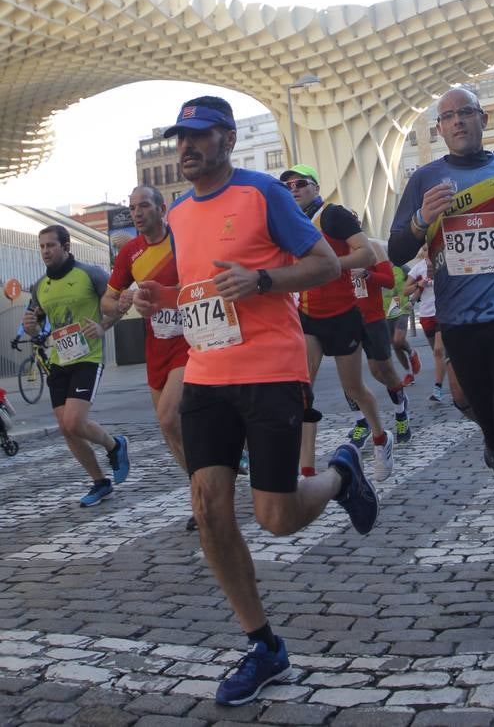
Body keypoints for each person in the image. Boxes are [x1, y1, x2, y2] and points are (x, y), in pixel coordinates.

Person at [133, 96, 380, 707]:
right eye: (179, 138)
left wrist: (262, 280)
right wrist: (161, 297)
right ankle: (264, 645)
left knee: (276, 516)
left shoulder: (264, 193)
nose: (186, 148)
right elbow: (198, 292)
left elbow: (324, 265)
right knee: (211, 509)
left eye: (199, 136)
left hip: (271, 371)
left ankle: (340, 474)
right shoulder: (183, 213)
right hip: (208, 373)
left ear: (228, 138)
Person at [389, 86, 494, 616]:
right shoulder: (423, 179)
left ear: (483, 118)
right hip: (461, 324)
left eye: (466, 112)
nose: (459, 121)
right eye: (448, 116)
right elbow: (397, 249)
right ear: (438, 129)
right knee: (492, 435)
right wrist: (421, 221)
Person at [280, 164, 393, 482]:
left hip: (343, 315)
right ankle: (307, 471)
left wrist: (329, 265)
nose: (294, 189)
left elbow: (367, 255)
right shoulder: (288, 222)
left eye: (300, 183)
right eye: (287, 186)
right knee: (304, 392)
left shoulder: (334, 215)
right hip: (307, 317)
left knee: (354, 387)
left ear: (316, 187)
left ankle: (381, 438)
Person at [101, 185, 194, 528]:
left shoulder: (183, 240)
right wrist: (123, 301)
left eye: (143, 206)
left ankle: (204, 495)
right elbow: (107, 302)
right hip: (156, 346)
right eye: (132, 208)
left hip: (192, 341)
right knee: (169, 428)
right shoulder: (129, 254)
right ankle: (201, 482)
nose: (137, 213)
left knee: (170, 417)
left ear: (162, 207)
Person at [23, 225, 130, 507]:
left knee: (74, 421)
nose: (45, 251)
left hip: (88, 357)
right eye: (42, 246)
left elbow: (119, 305)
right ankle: (100, 482)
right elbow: (36, 326)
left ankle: (115, 445)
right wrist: (31, 328)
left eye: (51, 245)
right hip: (59, 361)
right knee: (66, 428)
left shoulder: (90, 273)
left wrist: (103, 325)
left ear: (66, 246)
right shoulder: (39, 287)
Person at [347, 248, 410, 445]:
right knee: (348, 374)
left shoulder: (371, 247)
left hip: (373, 320)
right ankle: (361, 422)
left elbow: (389, 281)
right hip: (346, 320)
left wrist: (367, 274)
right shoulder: (333, 250)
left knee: (382, 371)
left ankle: (401, 413)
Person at [403, 247, 448, 403]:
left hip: (443, 312)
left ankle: (437, 389)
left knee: (438, 351)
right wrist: (419, 284)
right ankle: (449, 366)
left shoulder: (445, 261)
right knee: (439, 354)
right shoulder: (418, 267)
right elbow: (405, 290)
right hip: (426, 315)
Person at [381, 262, 421, 385]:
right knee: (395, 345)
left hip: (402, 307)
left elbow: (418, 281)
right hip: (386, 310)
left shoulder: (401, 267)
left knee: (398, 340)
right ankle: (408, 374)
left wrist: (413, 300)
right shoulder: (377, 269)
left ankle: (411, 352)